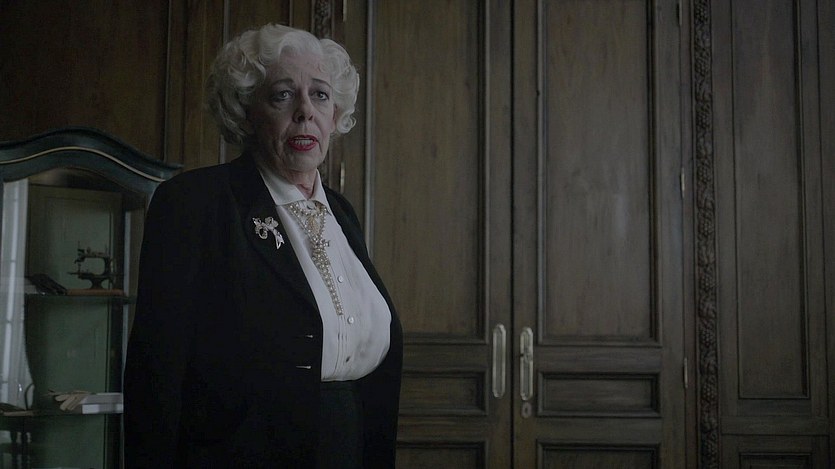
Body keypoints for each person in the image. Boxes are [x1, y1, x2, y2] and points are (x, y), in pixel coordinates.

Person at [124, 23, 402, 468]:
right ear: (246, 112)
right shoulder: (196, 204)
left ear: (335, 116)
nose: (305, 112)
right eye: (283, 95)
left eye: (320, 95)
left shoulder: (342, 213)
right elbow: (156, 373)